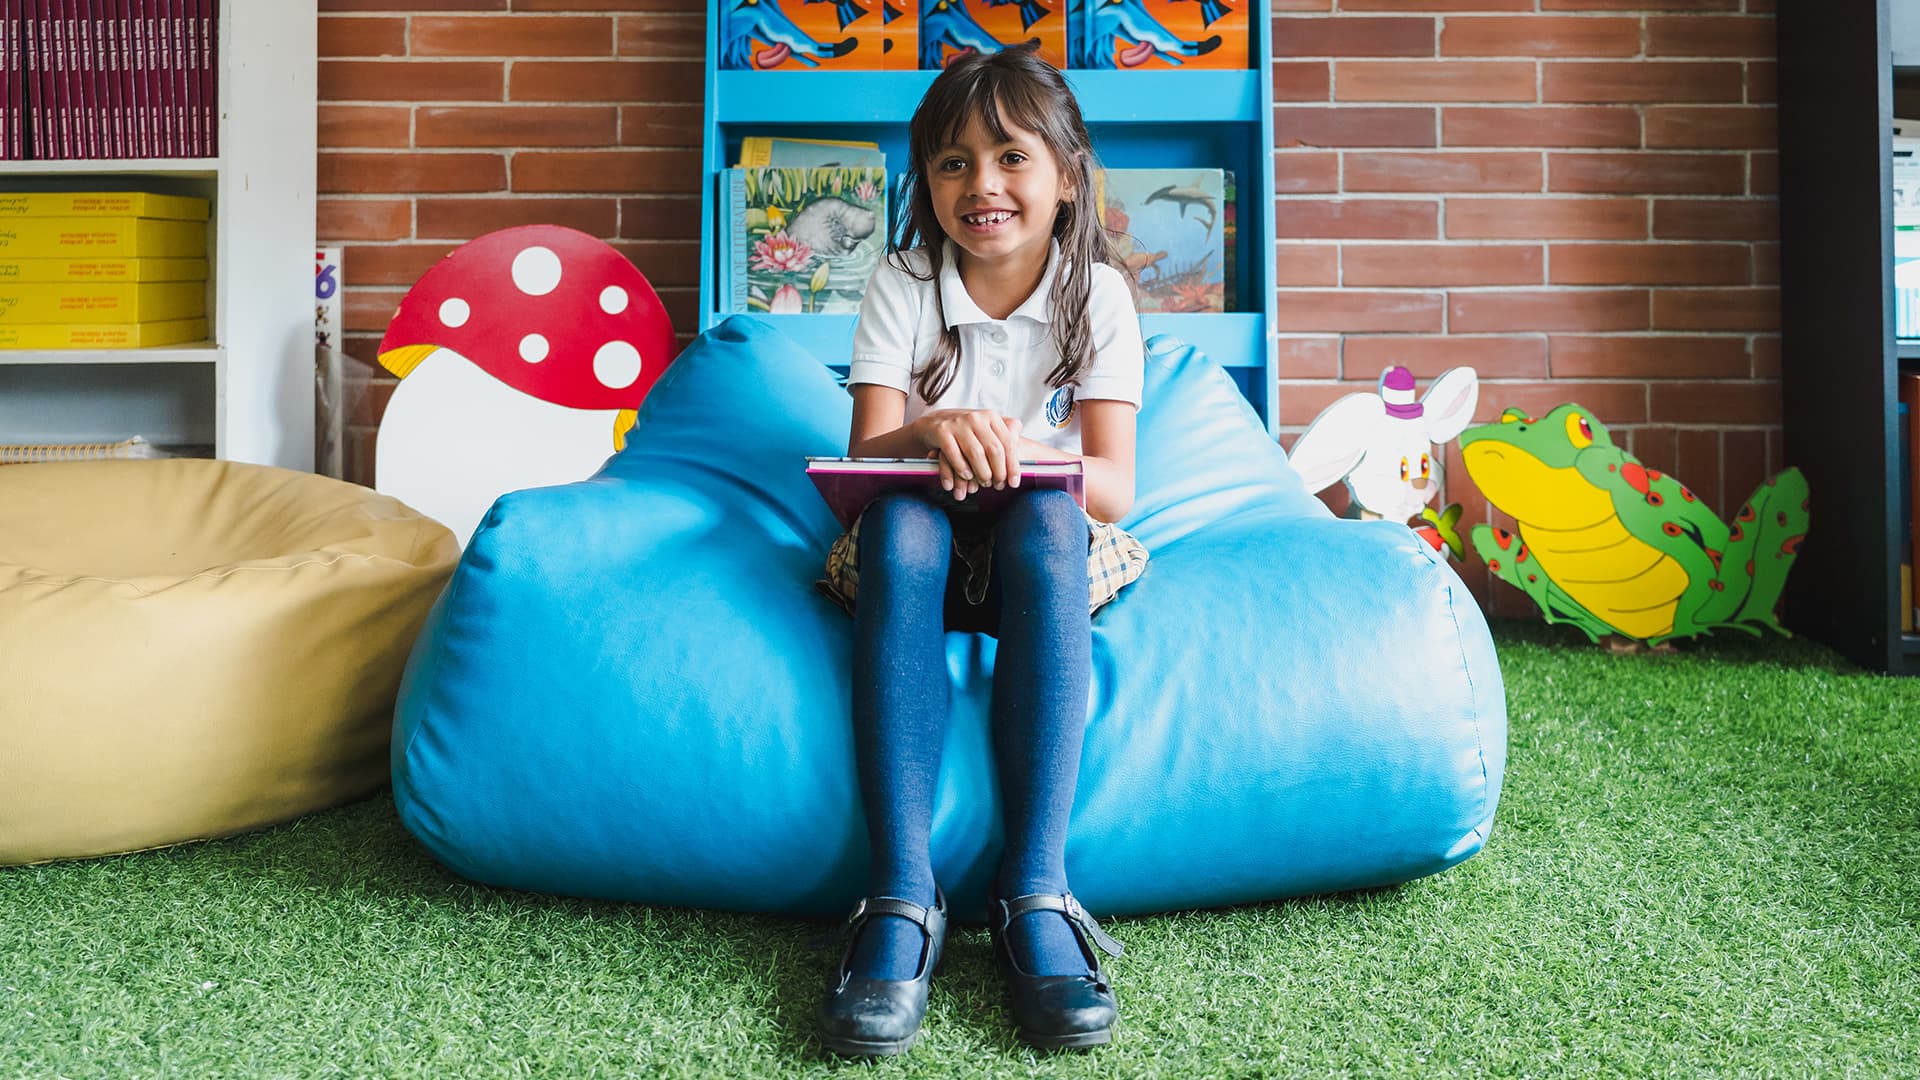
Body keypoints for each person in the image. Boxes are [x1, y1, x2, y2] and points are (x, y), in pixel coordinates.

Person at [813, 43, 1149, 1056]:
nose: (983, 184)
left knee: (1047, 513)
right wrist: (934, 430)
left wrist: (1023, 455)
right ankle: (903, 897)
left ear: (1067, 175)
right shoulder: (903, 279)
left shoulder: (1099, 295)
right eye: (953, 162)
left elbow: (1115, 486)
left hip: (1042, 552)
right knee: (908, 522)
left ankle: (1036, 892)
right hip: (914, 550)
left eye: (1011, 157)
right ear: (925, 180)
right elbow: (867, 458)